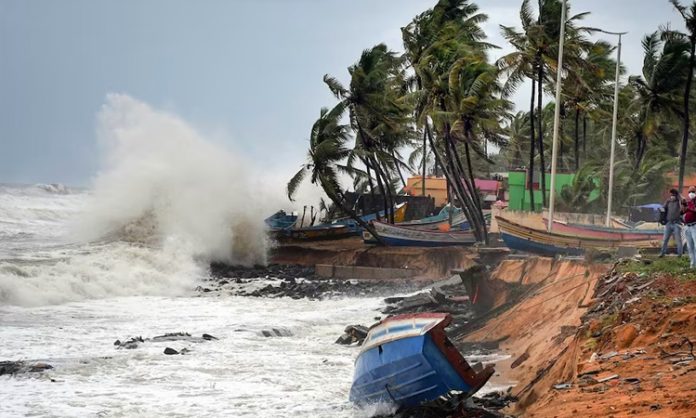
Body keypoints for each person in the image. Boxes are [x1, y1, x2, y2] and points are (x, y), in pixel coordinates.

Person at [659, 188, 684, 257]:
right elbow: (663, 209)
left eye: (673, 195)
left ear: (676, 195)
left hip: (676, 223)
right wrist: (662, 217)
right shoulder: (668, 201)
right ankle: (662, 253)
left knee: (678, 240)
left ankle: (680, 254)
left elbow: (683, 201)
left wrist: (678, 194)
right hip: (668, 223)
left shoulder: (679, 201)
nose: (672, 196)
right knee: (665, 239)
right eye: (671, 195)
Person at [683, 186, 696, 267]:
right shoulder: (688, 201)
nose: (691, 193)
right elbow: (682, 212)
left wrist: (688, 207)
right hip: (687, 226)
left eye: (692, 191)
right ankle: (692, 265)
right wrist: (683, 205)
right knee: (689, 246)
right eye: (689, 192)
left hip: (694, 226)